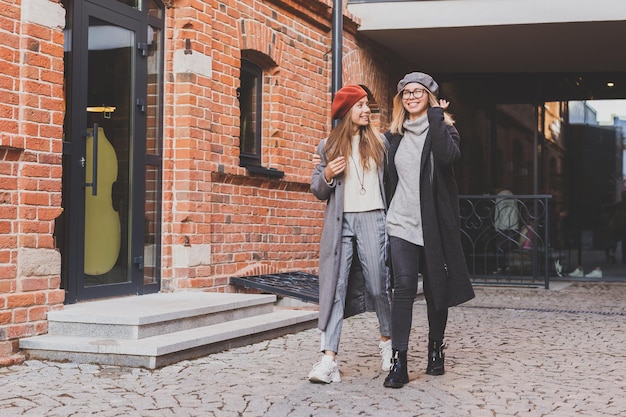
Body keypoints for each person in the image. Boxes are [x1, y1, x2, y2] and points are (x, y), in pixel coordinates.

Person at [382, 72, 475, 389]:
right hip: (401, 223)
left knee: (437, 291)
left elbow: (449, 157)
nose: (410, 96)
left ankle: (436, 349)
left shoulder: (445, 131)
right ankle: (399, 361)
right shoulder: (394, 136)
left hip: (434, 225)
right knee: (403, 288)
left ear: (430, 97)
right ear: (400, 100)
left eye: (418, 91)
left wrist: (437, 117)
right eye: (406, 92)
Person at [308, 84, 392, 383]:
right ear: (347, 112)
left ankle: (387, 341)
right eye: (360, 105)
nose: (366, 110)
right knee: (335, 288)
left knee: (377, 284)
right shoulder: (327, 147)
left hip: (373, 219)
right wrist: (328, 174)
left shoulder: (381, 143)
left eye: (367, 105)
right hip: (340, 223)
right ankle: (328, 359)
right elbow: (317, 189)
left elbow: (392, 183)